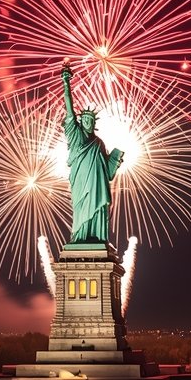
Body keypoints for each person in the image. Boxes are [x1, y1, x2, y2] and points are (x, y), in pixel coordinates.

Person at [61, 63, 124, 244]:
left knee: (99, 207)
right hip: (81, 183)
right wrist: (66, 83)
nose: (87, 122)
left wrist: (115, 159)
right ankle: (80, 236)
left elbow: (107, 173)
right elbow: (69, 109)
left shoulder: (99, 143)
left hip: (98, 185)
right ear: (81, 121)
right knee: (81, 210)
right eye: (85, 119)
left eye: (90, 120)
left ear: (94, 123)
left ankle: (97, 236)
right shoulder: (76, 135)